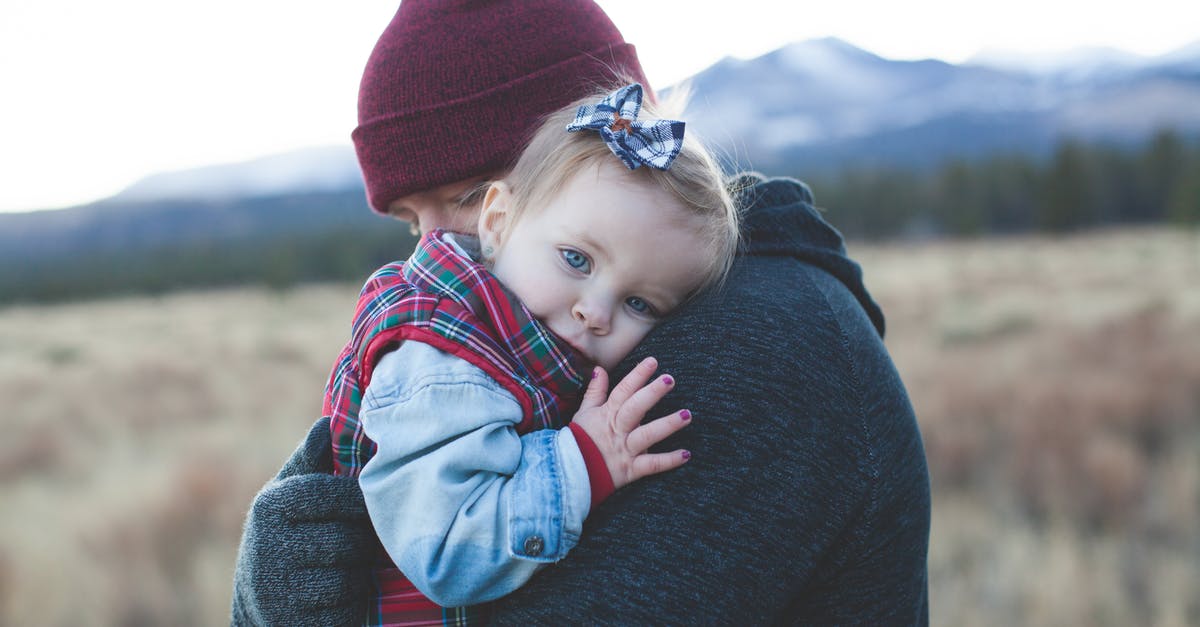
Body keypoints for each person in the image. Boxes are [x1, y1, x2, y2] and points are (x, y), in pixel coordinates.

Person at [231, 1, 931, 625]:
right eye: (413, 223)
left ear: (607, 146)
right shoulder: (550, 338)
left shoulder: (754, 349)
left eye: (473, 195)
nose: (439, 250)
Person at [325, 82, 739, 625]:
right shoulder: (441, 361)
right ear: (497, 222)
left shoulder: (522, 343)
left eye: (639, 302)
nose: (596, 312)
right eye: (576, 259)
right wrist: (584, 461)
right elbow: (447, 552)